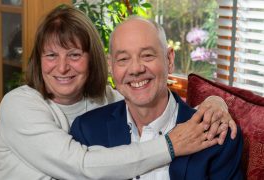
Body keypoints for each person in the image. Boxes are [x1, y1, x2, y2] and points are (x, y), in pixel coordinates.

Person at [0, 5, 237, 180]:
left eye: (74, 55)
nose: (62, 67)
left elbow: (144, 97)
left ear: (93, 61)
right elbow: (81, 165)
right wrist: (171, 144)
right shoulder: (18, 104)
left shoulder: (107, 100)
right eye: (51, 55)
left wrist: (216, 103)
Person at [70, 16, 243, 179]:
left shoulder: (217, 135)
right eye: (123, 59)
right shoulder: (87, 132)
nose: (136, 69)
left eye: (147, 55)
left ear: (169, 59)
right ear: (111, 67)